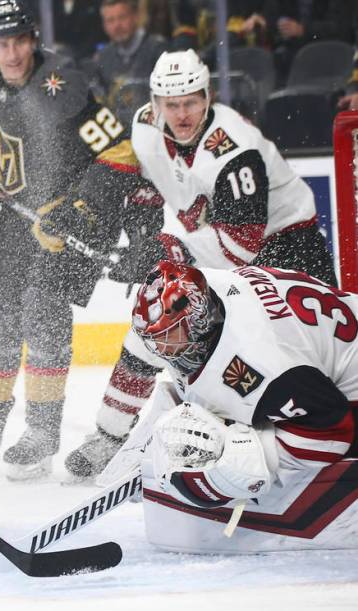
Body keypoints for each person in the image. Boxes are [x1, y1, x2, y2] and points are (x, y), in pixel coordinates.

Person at [52, 48, 337, 484]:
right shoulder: (146, 128)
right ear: (155, 103)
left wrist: (161, 248)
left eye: (191, 101)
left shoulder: (233, 147)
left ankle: (307, 441)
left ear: (208, 96)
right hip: (214, 249)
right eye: (172, 104)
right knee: (154, 325)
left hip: (287, 253)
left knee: (288, 362)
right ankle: (108, 438)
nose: (182, 114)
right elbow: (144, 186)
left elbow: (240, 247)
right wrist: (92, 216)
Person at [0, 0, 140, 481]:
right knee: (0, 310)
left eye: (19, 41)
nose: (11, 53)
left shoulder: (66, 85)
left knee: (42, 309)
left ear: (33, 40)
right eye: (0, 43)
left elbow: (121, 152)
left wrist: (76, 210)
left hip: (76, 220)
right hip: (19, 215)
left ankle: (42, 434)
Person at [127, 261, 358, 552]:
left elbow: (334, 430)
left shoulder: (261, 362)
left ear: (199, 321)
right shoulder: (208, 285)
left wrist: (244, 462)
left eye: (169, 338)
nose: (161, 349)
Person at [92, 0, 167, 127]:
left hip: (154, 126)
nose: (117, 25)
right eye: (110, 20)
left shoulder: (159, 51)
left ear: (136, 17)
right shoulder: (102, 57)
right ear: (104, 26)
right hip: (118, 132)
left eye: (122, 17)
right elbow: (99, 101)